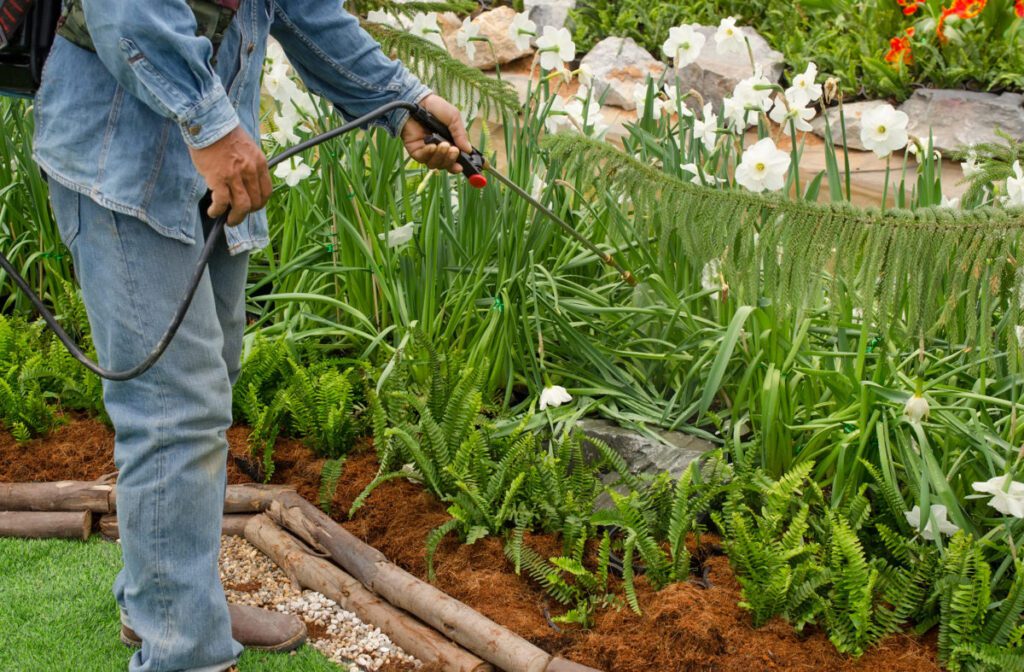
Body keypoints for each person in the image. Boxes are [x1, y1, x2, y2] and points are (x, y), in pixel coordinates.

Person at [31, 1, 471, 670]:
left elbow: (300, 7)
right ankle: (186, 651)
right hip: (122, 153)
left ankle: (172, 604)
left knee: (204, 395)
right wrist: (211, 127)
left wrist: (404, 100)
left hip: (217, 170)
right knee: (173, 409)